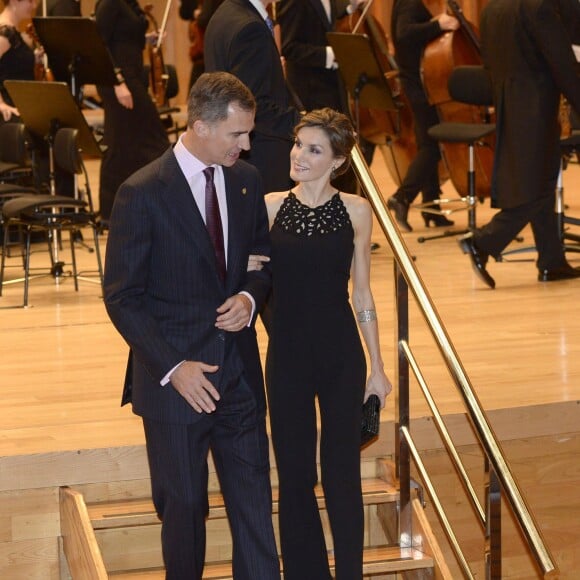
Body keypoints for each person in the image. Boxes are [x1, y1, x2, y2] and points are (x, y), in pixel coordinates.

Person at [103, 71, 279, 579]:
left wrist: (249, 297)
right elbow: (122, 297)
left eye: (248, 134)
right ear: (200, 126)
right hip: (175, 385)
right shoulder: (141, 192)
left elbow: (259, 258)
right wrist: (174, 367)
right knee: (184, 513)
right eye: (236, 135)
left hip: (240, 376)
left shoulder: (247, 181)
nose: (246, 146)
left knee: (254, 512)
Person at [249, 108, 392, 578]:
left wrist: (377, 365)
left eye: (313, 149)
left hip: (340, 354)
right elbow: (252, 279)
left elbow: (363, 291)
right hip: (286, 355)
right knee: (294, 475)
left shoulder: (357, 210)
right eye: (297, 144)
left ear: (337, 161)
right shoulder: (268, 206)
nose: (299, 155)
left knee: (341, 475)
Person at [458, 0, 580, 288]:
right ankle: (482, 242)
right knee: (536, 188)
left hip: (508, 102)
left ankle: (552, 260)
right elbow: (562, 65)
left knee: (542, 178)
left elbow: (488, 62)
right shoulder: (538, 8)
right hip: (536, 107)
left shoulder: (491, 9)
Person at [204, 0, 301, 193]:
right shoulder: (251, 28)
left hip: (233, 150)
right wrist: (304, 123)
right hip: (260, 155)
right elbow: (255, 107)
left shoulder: (225, 12)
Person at [95, 0, 169, 228]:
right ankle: (114, 210)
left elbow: (123, 38)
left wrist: (147, 39)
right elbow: (99, 43)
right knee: (149, 140)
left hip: (132, 76)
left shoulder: (128, 2)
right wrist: (117, 82)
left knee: (127, 143)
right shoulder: (109, 2)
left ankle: (119, 209)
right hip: (118, 80)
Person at [387, 0, 458, 231]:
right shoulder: (409, 2)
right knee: (431, 146)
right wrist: (438, 25)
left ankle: (432, 207)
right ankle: (402, 197)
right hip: (419, 85)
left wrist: (434, 22)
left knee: (429, 144)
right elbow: (405, 33)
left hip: (420, 83)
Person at [178, 0, 224, 90]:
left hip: (206, 47)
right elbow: (184, 12)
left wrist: (199, 16)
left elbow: (204, 19)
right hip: (212, 45)